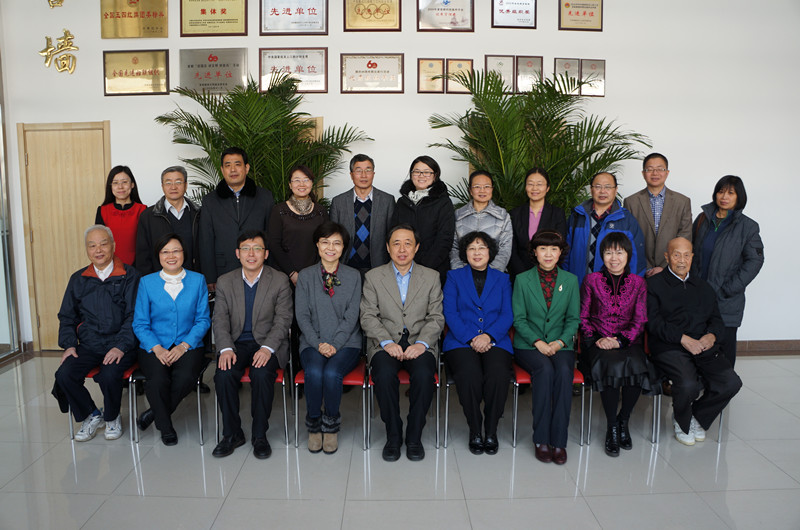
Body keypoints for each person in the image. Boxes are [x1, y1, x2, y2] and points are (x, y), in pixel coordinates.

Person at [361, 224, 445, 462]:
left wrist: (423, 344)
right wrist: (387, 342)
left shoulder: (431, 276)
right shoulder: (373, 277)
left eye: (408, 243)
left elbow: (436, 317)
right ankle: (393, 433)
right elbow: (368, 316)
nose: (402, 249)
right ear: (388, 248)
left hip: (419, 341)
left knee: (424, 375)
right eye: (396, 243)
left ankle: (414, 435)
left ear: (416, 248)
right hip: (385, 342)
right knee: (384, 375)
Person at [647, 237, 742, 446]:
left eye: (686, 255)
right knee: (688, 384)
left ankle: (697, 416)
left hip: (702, 345)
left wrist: (712, 335)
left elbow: (716, 320)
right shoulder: (653, 285)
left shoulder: (703, 286)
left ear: (692, 257)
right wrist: (682, 338)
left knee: (731, 383)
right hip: (669, 346)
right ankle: (682, 422)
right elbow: (653, 323)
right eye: (676, 255)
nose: (682, 260)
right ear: (667, 257)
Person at [211, 230, 293, 459]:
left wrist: (267, 348)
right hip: (235, 344)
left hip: (267, 343)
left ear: (265, 254)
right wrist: (225, 348)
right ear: (237, 253)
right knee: (224, 374)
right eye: (246, 249)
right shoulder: (225, 281)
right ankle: (232, 434)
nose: (251, 254)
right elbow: (219, 319)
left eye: (257, 249)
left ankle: (259, 435)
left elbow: (283, 319)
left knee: (261, 373)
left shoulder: (279, 280)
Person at [54, 225, 139, 441]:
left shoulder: (130, 275)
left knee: (109, 373)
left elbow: (135, 316)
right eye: (92, 246)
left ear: (113, 245)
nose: (98, 250)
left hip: (122, 343)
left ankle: (112, 416)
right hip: (90, 344)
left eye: (103, 244)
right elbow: (67, 316)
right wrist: (69, 344)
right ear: (87, 250)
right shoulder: (78, 279)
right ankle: (91, 414)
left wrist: (120, 346)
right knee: (64, 374)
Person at [579, 232, 658, 457]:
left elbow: (640, 319)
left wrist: (620, 340)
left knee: (638, 366)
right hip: (598, 342)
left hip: (627, 341)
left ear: (628, 255)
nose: (614, 258)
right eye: (608, 252)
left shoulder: (639, 283)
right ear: (601, 255)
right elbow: (583, 317)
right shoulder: (591, 280)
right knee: (611, 367)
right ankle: (612, 426)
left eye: (619, 252)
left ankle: (624, 420)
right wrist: (597, 339)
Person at [133, 234, 210, 446]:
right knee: (157, 380)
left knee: (185, 377)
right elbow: (140, 323)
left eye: (176, 251)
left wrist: (184, 346)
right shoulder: (146, 283)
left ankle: (154, 413)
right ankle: (165, 427)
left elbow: (203, 320)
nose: (171, 256)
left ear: (184, 253)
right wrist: (157, 348)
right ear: (158, 256)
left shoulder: (197, 280)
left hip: (189, 344)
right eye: (165, 252)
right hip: (154, 345)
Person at [512, 230, 579, 465]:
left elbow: (573, 319)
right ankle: (541, 439)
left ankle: (559, 441)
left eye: (553, 249)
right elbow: (519, 319)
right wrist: (537, 342)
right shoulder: (522, 280)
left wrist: (560, 342)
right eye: (542, 249)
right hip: (529, 345)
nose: (548, 254)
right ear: (534, 252)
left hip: (561, 344)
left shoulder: (570, 281)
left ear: (561, 253)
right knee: (545, 370)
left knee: (564, 371)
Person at [295, 221, 362, 454]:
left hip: (347, 343)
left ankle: (331, 426)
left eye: (336, 243)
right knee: (314, 372)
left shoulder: (354, 276)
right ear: (317, 245)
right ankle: (314, 425)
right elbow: (302, 316)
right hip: (312, 342)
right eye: (325, 242)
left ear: (343, 247)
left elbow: (352, 316)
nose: (330, 248)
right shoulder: (305, 276)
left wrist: (335, 344)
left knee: (332, 373)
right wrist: (318, 343)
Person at [443, 232, 513, 455]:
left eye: (481, 248)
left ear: (490, 252)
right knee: (469, 375)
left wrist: (489, 336)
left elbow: (507, 314)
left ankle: (491, 430)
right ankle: (475, 428)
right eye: (472, 248)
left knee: (498, 374)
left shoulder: (502, 279)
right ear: (465, 253)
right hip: (461, 340)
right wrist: (472, 337)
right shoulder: (454, 277)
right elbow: (450, 313)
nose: (477, 252)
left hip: (495, 340)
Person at [692, 175, 764, 367]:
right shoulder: (703, 219)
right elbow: (691, 252)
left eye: (730, 193)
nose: (724, 197)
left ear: (739, 196)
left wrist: (729, 288)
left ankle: (724, 384)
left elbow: (755, 260)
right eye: (721, 191)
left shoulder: (748, 227)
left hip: (726, 299)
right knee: (698, 345)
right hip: (699, 295)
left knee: (724, 349)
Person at [199, 147, 274, 290]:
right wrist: (210, 276)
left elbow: (270, 236)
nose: (233, 169)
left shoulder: (265, 197)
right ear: (222, 170)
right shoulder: (210, 201)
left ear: (246, 168)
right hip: (223, 270)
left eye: (237, 164)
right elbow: (205, 240)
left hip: (258, 268)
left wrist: (270, 270)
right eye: (228, 165)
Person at [563, 171, 646, 284]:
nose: (602, 191)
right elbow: (565, 253)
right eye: (598, 187)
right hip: (578, 285)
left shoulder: (627, 220)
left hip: (613, 288)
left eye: (608, 187)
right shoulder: (577, 216)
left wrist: (629, 288)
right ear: (591, 189)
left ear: (615, 190)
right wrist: (566, 282)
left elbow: (637, 260)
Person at [623, 153, 692, 277]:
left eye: (660, 169)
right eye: (650, 169)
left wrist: (665, 266)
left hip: (671, 270)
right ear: (643, 173)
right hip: (640, 269)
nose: (655, 173)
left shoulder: (682, 201)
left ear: (667, 172)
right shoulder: (631, 202)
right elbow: (628, 238)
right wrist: (646, 266)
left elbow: (684, 237)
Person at [391, 155, 455, 284]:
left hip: (434, 269)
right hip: (403, 269)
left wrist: (424, 268)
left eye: (427, 172)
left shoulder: (443, 203)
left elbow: (445, 239)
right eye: (417, 172)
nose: (421, 176)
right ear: (411, 174)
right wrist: (404, 265)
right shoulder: (402, 202)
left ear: (435, 175)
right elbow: (393, 235)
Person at [329, 154, 396, 274]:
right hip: (346, 267)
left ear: (373, 174)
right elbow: (332, 237)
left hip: (379, 267)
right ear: (351, 175)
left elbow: (392, 236)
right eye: (359, 171)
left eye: (368, 170)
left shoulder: (387, 201)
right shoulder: (338, 202)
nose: (364, 175)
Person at [268, 165, 329, 286]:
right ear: (290, 185)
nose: (302, 184)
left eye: (306, 180)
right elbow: (274, 244)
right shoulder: (279, 210)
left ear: (312, 183)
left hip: (314, 275)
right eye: (296, 180)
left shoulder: (321, 211)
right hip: (284, 275)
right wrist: (292, 273)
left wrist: (315, 271)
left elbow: (326, 243)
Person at [136, 165, 201, 275]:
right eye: (168, 183)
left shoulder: (199, 214)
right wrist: (149, 280)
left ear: (186, 185)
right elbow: (143, 255)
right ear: (162, 186)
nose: (173, 187)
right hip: (160, 279)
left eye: (178, 182)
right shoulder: (148, 216)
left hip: (193, 278)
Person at [509, 168, 567, 278]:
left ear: (547, 188)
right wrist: (522, 275)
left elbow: (559, 245)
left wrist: (545, 272)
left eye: (539, 184)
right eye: (530, 184)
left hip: (549, 274)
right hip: (520, 274)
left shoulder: (557, 213)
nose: (534, 188)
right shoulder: (515, 214)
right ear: (525, 187)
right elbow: (512, 249)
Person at [449, 171, 512, 271]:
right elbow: (453, 247)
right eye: (477, 187)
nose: (482, 190)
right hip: (463, 273)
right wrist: (460, 272)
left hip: (494, 274)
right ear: (470, 190)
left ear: (492, 189)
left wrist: (492, 273)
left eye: (487, 186)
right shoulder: (458, 215)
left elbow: (505, 248)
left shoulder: (503, 215)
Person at [95, 165, 146, 266]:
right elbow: (99, 243)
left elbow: (146, 244)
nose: (120, 187)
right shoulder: (102, 211)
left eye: (124, 182)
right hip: (109, 266)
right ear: (110, 186)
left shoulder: (143, 210)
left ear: (132, 184)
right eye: (115, 183)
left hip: (138, 266)